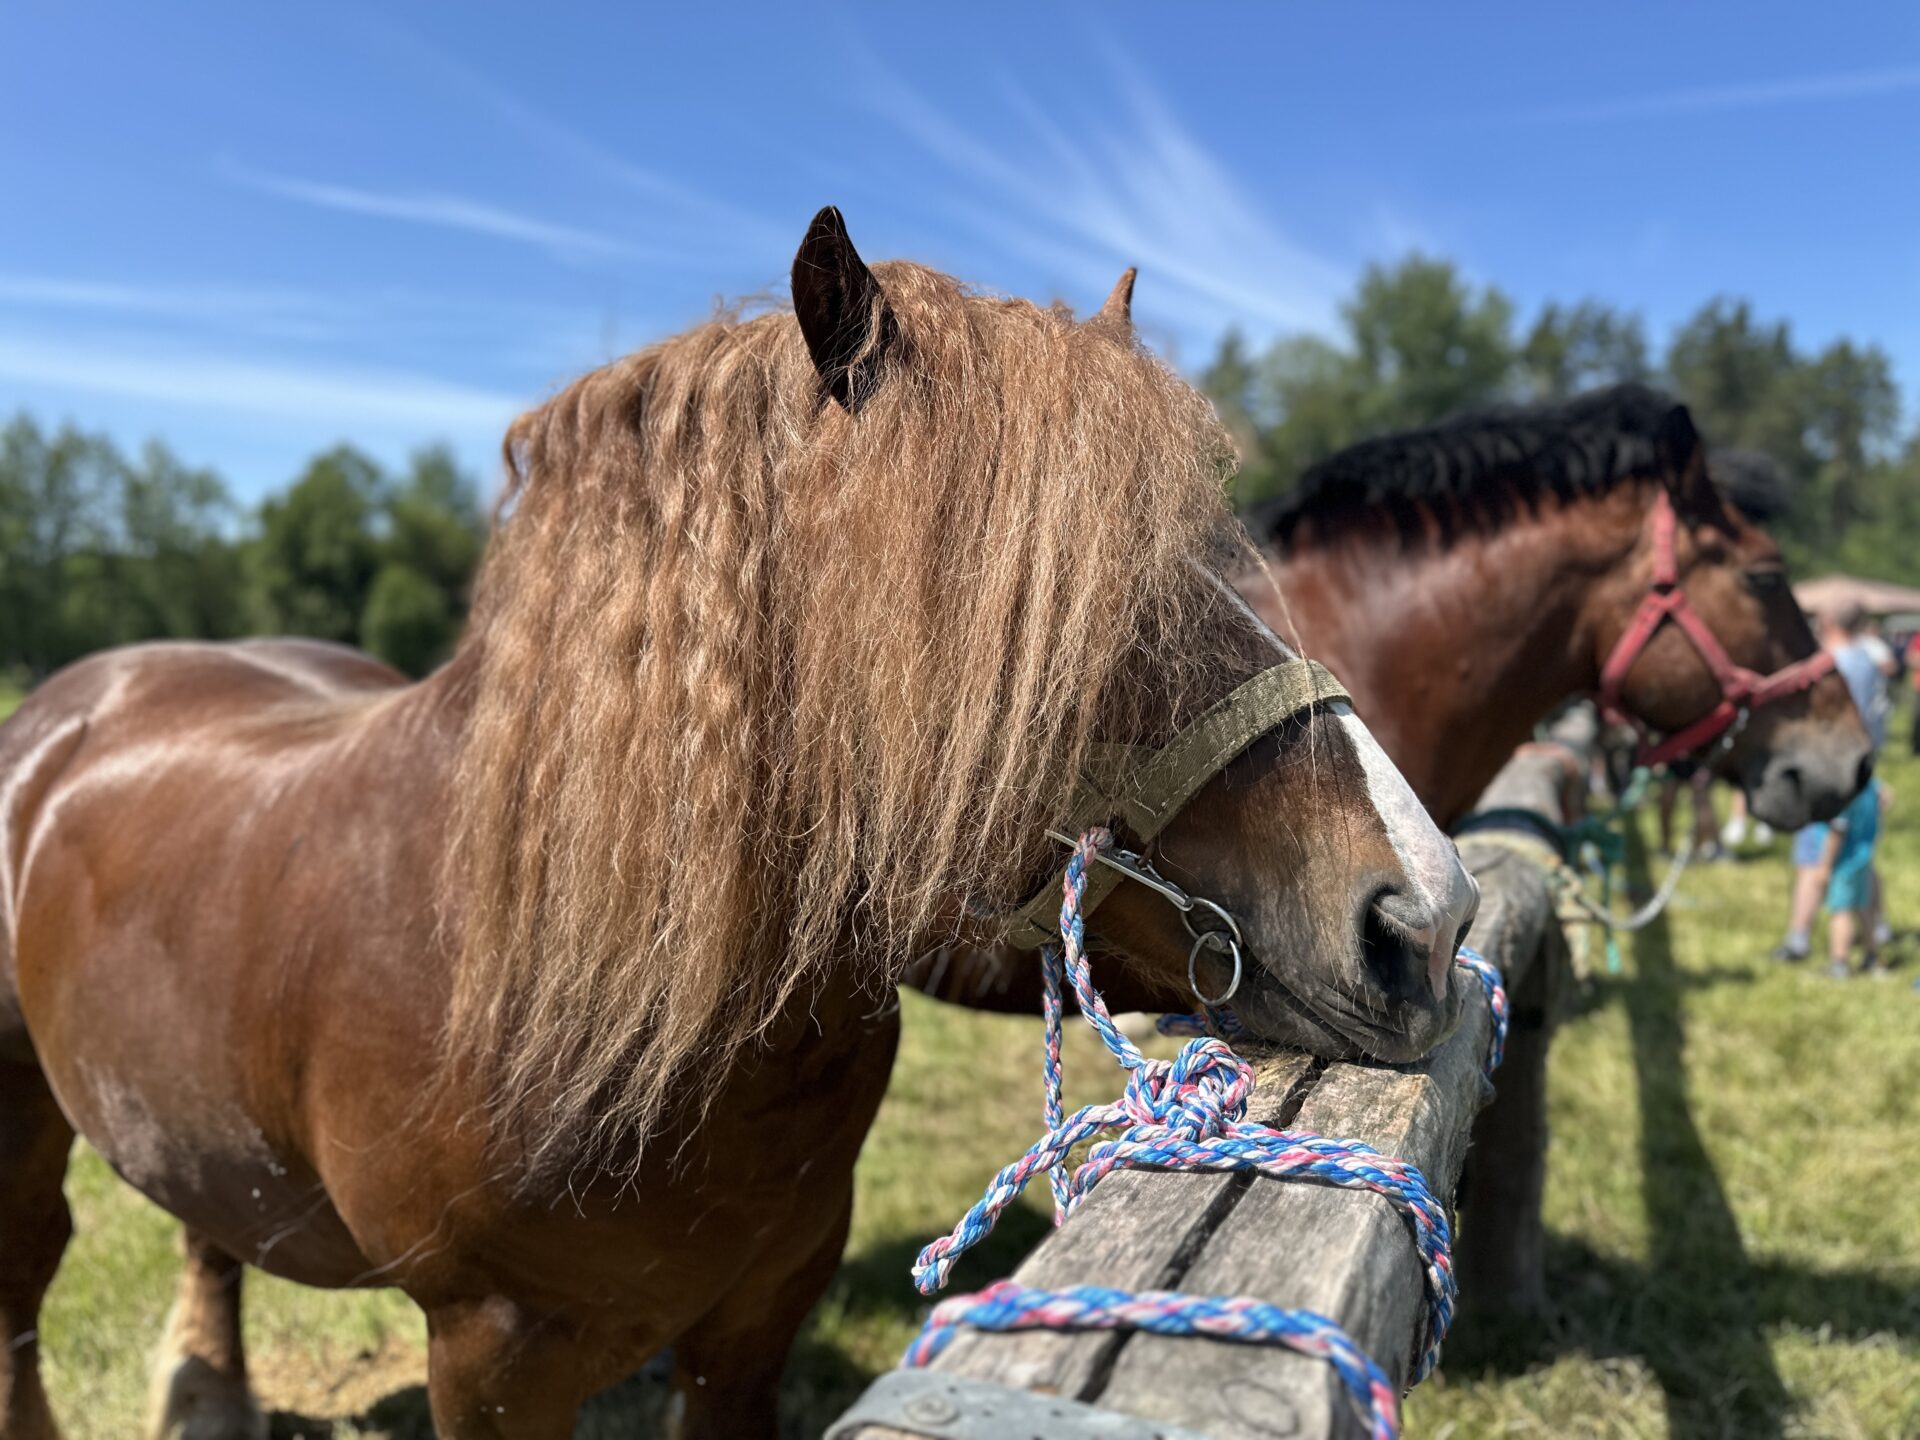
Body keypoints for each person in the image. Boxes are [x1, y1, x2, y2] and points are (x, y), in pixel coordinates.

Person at [1771, 602, 1892, 961]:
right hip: (1861, 767)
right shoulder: (1868, 661)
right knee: (1859, 853)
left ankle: (1799, 938)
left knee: (1815, 860)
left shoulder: (1832, 664)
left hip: (1829, 769)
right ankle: (1876, 930)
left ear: (1827, 621)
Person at [1816, 776, 1891, 977]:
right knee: (1864, 909)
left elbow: (1837, 832)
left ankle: (1839, 962)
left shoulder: (1844, 794)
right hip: (1864, 857)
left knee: (1840, 912)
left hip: (1844, 863)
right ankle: (1871, 956)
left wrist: (1825, 866)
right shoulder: (1870, 786)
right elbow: (1886, 798)